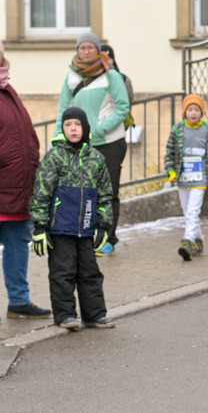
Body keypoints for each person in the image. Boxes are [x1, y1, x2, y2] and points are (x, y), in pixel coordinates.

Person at [30, 106, 115, 331]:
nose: (73, 129)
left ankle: (94, 314)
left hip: (86, 228)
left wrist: (103, 226)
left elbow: (105, 195)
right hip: (60, 229)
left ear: (85, 127)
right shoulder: (54, 157)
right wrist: (40, 226)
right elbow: (41, 193)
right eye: (68, 125)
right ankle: (65, 315)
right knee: (63, 273)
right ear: (63, 129)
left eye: (77, 124)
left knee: (90, 273)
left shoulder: (96, 159)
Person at [54, 32, 129, 256]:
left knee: (108, 192)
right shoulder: (71, 77)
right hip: (81, 146)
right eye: (82, 47)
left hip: (109, 143)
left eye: (90, 47)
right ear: (77, 50)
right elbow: (63, 110)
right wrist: (58, 137)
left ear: (98, 50)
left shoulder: (110, 75)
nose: (86, 51)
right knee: (84, 192)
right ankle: (87, 236)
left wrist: (99, 129)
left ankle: (108, 239)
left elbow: (122, 107)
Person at [0, 42, 51, 321]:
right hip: (4, 183)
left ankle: (19, 300)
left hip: (16, 186)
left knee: (18, 244)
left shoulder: (8, 90)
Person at [164, 94, 208, 260]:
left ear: (201, 112)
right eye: (190, 109)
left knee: (193, 210)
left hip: (200, 178)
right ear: (185, 112)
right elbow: (169, 153)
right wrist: (171, 171)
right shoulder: (177, 130)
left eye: (197, 109)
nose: (193, 113)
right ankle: (198, 240)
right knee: (187, 211)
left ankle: (187, 240)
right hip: (183, 178)